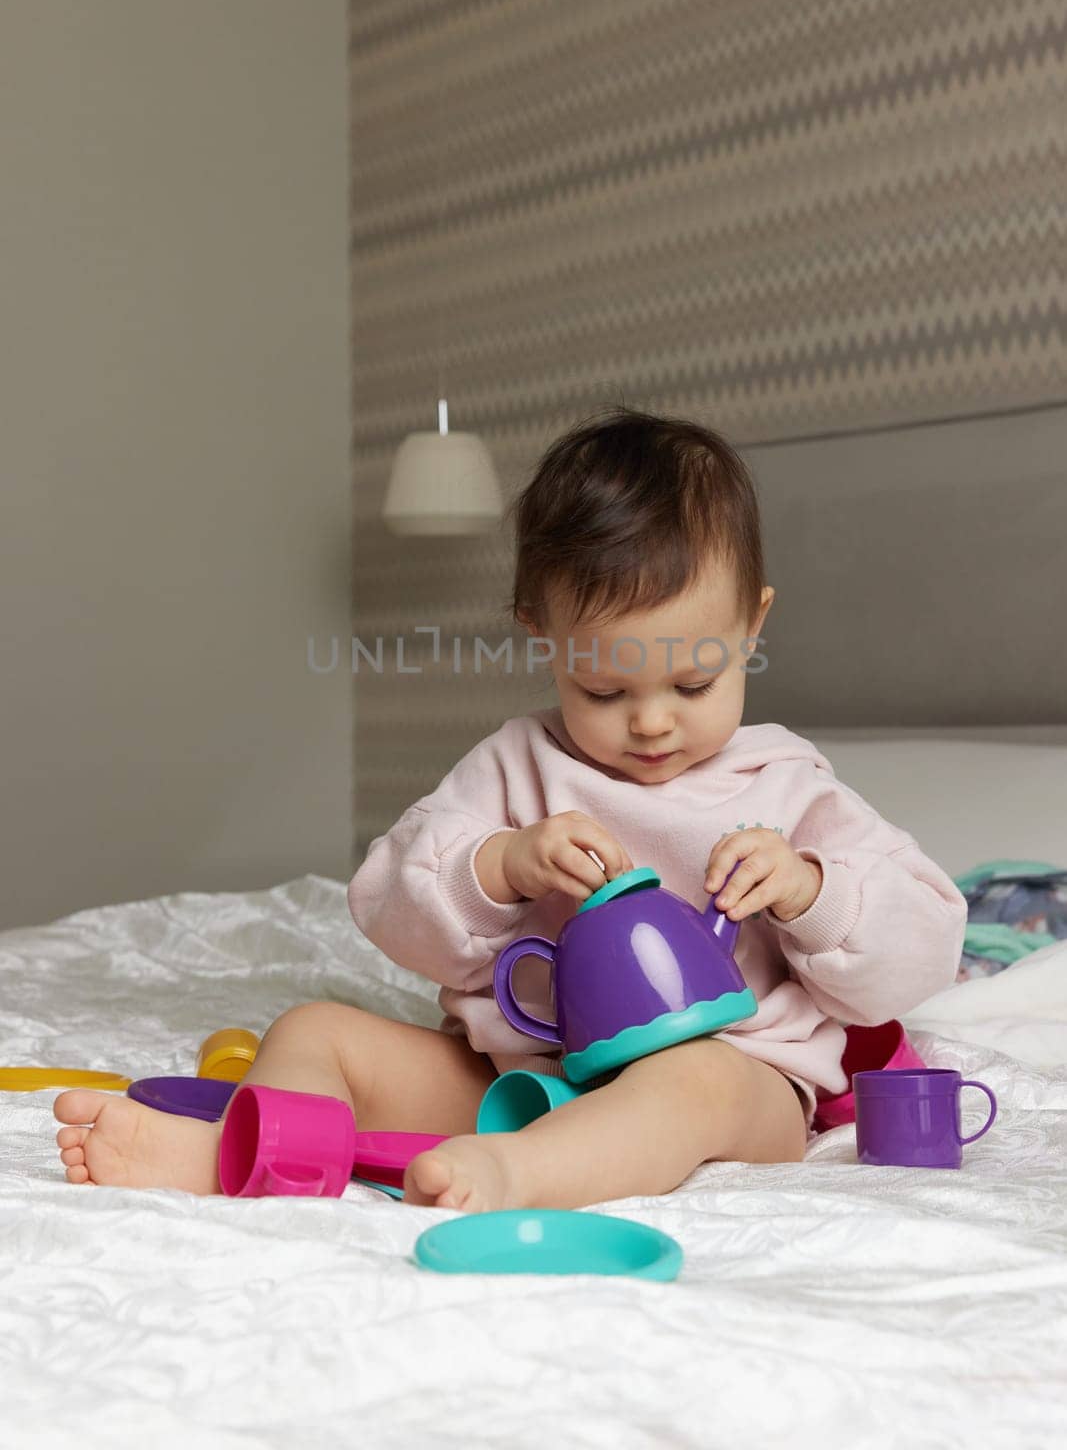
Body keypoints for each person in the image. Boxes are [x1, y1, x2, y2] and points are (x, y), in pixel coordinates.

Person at [53, 406, 967, 1209]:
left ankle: (519, 1176)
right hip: (519, 1077)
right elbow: (385, 903)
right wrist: (497, 866)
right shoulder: (515, 765)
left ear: (752, 627)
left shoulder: (789, 784)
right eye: (602, 689)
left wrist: (810, 889)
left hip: (734, 1083)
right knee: (312, 1030)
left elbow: (921, 948)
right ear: (543, 637)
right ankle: (249, 1153)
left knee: (692, 1079)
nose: (651, 723)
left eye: (694, 679)